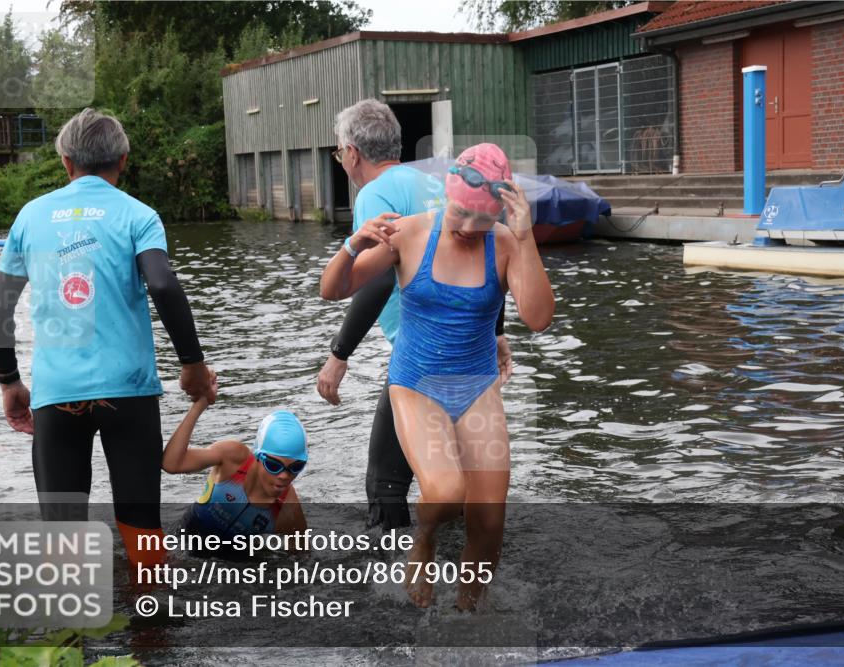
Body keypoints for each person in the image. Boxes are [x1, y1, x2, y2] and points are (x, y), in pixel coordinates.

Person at [320, 143, 554, 610]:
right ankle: (424, 539)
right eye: (461, 212)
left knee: (489, 526)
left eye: (481, 220)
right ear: (446, 195)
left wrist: (525, 239)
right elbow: (333, 289)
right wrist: (352, 245)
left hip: (476, 388)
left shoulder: (507, 245)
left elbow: (539, 318)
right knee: (446, 493)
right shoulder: (409, 233)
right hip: (416, 384)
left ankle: (466, 617)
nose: (468, 227)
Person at [0, 108, 214, 568]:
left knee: (63, 532)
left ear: (66, 162)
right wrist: (191, 363)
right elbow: (164, 285)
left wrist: (9, 381)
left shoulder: (32, 216)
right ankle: (152, 630)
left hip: (57, 395)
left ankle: (68, 638)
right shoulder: (139, 215)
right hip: (128, 393)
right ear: (123, 160)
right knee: (142, 525)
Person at [316, 99, 510, 531]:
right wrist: (495, 332)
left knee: (386, 484)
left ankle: (393, 586)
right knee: (458, 481)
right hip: (467, 354)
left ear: (351, 152)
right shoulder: (431, 184)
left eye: (337, 152)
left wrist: (339, 352)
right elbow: (488, 261)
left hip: (421, 351)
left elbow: (378, 278)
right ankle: (460, 575)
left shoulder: (374, 194)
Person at [162, 378, 307, 554]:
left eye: (295, 467)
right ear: (257, 457)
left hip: (233, 563)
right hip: (184, 539)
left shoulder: (287, 507)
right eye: (273, 465)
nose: (284, 476)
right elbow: (171, 464)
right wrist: (199, 405)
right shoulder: (233, 458)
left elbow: (301, 555)